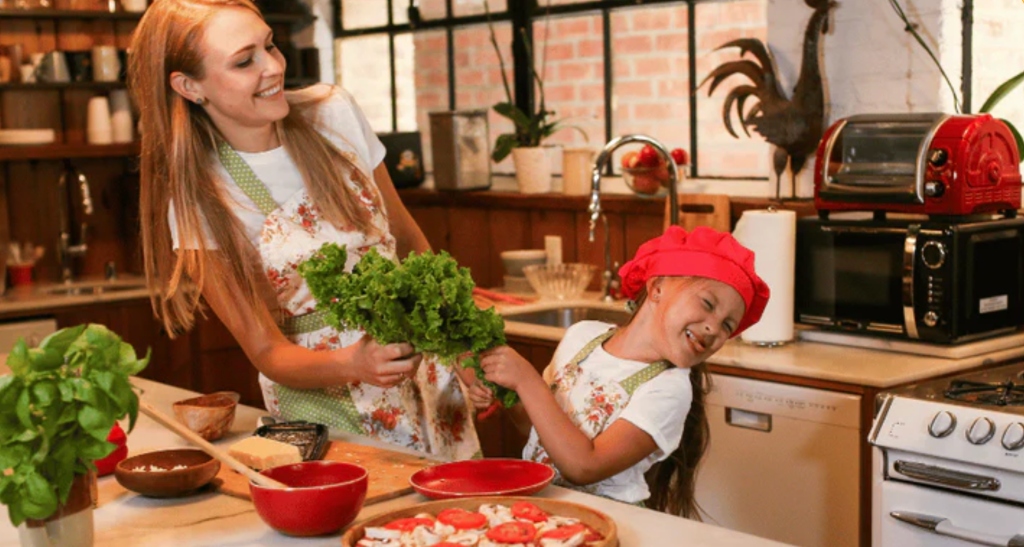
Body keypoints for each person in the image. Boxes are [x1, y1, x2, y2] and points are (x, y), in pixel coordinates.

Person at [129, 0, 480, 460]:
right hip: (326, 408)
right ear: (189, 86)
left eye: (270, 45)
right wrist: (355, 363)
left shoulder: (333, 112)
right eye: (244, 60)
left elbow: (407, 239)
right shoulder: (202, 197)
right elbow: (266, 351)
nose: (273, 67)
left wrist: (463, 348)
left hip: (425, 376)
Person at [470, 226, 770, 517]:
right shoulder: (581, 336)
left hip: (610, 523)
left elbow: (584, 467)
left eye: (727, 326)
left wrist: (527, 380)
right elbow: (537, 429)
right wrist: (508, 393)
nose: (713, 327)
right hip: (547, 509)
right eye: (707, 303)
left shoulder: (669, 389)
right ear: (657, 288)